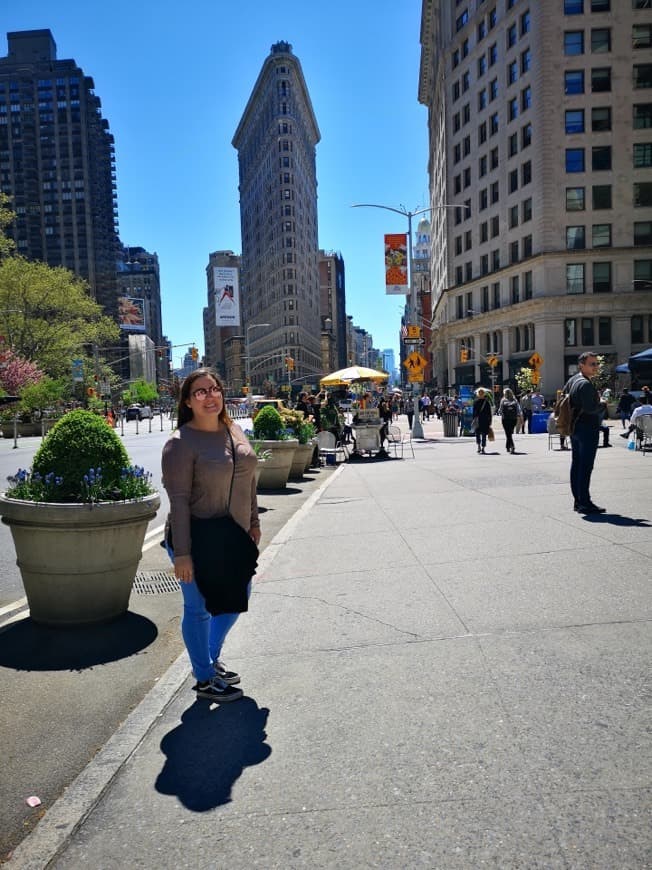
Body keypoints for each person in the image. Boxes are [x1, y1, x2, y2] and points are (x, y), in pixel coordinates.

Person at [161, 368, 260, 703]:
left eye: (214, 389)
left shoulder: (232, 429)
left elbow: (249, 478)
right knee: (198, 607)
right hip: (195, 535)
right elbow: (178, 501)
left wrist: (254, 520)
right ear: (187, 402)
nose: (209, 396)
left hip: (232, 535)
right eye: (200, 392)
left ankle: (208, 659)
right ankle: (204, 677)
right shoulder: (180, 443)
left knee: (238, 595)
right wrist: (184, 554)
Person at [564, 351, 605, 514]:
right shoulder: (586, 384)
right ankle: (584, 502)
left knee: (577, 464)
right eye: (592, 364)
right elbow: (591, 408)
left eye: (596, 364)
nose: (596, 367)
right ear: (582, 365)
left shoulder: (573, 380)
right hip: (587, 428)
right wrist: (602, 403)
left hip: (574, 427)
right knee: (586, 466)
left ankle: (578, 501)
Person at [498, 387, 521, 454]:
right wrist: (519, 416)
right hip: (513, 419)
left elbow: (500, 410)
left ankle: (512, 446)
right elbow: (518, 410)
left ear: (504, 393)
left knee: (508, 434)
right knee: (509, 433)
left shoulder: (503, 400)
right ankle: (507, 447)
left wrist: (500, 413)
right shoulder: (515, 400)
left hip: (505, 419)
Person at [472, 388, 493, 454]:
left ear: (478, 394)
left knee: (477, 433)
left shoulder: (475, 402)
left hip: (478, 420)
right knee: (484, 434)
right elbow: (489, 413)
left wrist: (474, 419)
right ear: (484, 394)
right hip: (485, 420)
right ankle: (483, 447)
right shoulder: (487, 402)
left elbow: (474, 413)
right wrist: (490, 421)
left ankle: (478, 446)